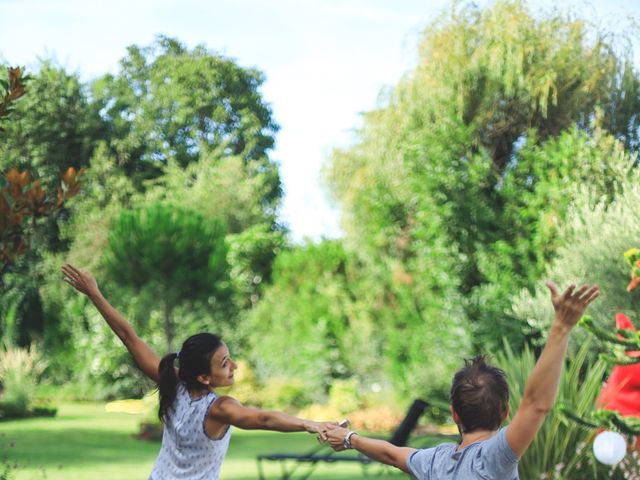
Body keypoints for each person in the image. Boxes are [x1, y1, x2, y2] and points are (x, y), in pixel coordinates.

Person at [61, 263, 335, 480]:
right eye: (225, 362)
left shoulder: (170, 381)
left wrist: (94, 293)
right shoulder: (218, 408)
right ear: (204, 377)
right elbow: (263, 419)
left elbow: (128, 336)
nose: (234, 366)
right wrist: (309, 424)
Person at [322, 281, 600, 479]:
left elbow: (392, 454)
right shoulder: (493, 458)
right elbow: (536, 405)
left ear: (455, 413)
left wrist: (349, 438)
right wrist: (561, 327)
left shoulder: (435, 462)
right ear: (505, 412)